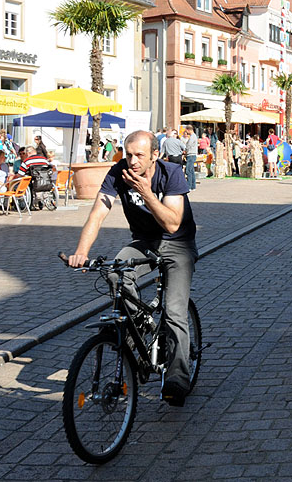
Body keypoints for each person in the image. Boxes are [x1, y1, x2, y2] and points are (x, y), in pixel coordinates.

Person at [67, 130, 197, 407]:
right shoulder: (117, 173)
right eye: (128, 154)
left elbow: (173, 224)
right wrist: (82, 252)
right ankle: (140, 322)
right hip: (145, 242)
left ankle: (177, 377)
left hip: (178, 245)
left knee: (174, 312)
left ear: (155, 155)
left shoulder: (171, 173)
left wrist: (147, 194)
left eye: (139, 155)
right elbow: (98, 213)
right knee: (115, 271)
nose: (133, 161)